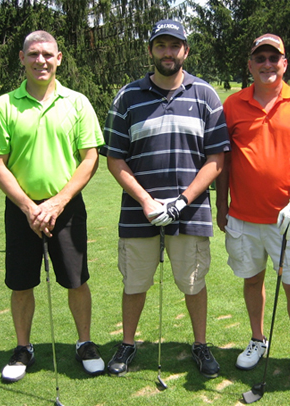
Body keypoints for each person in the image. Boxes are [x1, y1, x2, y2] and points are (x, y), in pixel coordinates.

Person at [101, 19, 230, 379]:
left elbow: (216, 159)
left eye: (175, 46)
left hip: (189, 213)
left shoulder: (205, 95)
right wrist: (146, 201)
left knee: (193, 282)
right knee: (135, 283)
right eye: (161, 46)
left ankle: (200, 344)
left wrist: (181, 201)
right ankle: (128, 343)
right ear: (151, 51)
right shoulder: (128, 97)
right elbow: (115, 158)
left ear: (186, 51)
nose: (168, 52)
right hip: (137, 211)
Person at [0, 30, 105, 382]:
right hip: (21, 210)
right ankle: (24, 348)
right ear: (21, 58)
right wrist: (28, 207)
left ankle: (85, 343)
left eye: (47, 54)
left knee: (76, 279)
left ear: (59, 58)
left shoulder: (78, 102)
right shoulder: (4, 105)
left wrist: (57, 202)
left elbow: (89, 158)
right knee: (21, 283)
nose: (41, 60)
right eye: (33, 54)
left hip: (66, 207)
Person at [216, 34, 290, 388]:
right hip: (244, 217)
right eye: (259, 58)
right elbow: (225, 160)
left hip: (288, 219)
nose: (267, 64)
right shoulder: (232, 105)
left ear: (284, 63)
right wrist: (222, 204)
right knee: (252, 280)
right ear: (249, 64)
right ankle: (257, 339)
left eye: (273, 58)